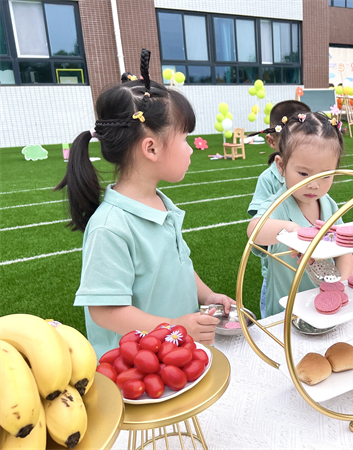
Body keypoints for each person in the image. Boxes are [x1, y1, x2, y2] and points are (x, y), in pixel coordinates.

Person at [55, 49, 234, 357]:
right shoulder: (111, 227)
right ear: (151, 148)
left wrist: (207, 294)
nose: (190, 149)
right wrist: (174, 326)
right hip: (136, 372)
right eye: (184, 138)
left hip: (173, 356)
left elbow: (180, 265)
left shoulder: (161, 204)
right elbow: (106, 312)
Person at [246, 112, 353, 318]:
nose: (313, 184)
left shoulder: (329, 205)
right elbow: (254, 230)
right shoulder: (277, 205)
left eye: (325, 175)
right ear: (281, 166)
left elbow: (344, 252)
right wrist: (293, 231)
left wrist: (342, 284)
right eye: (304, 174)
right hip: (285, 311)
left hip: (324, 306)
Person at [247, 100, 311, 318]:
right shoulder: (268, 180)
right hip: (278, 265)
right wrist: (286, 231)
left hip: (309, 263)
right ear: (272, 141)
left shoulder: (315, 185)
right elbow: (258, 231)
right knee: (277, 315)